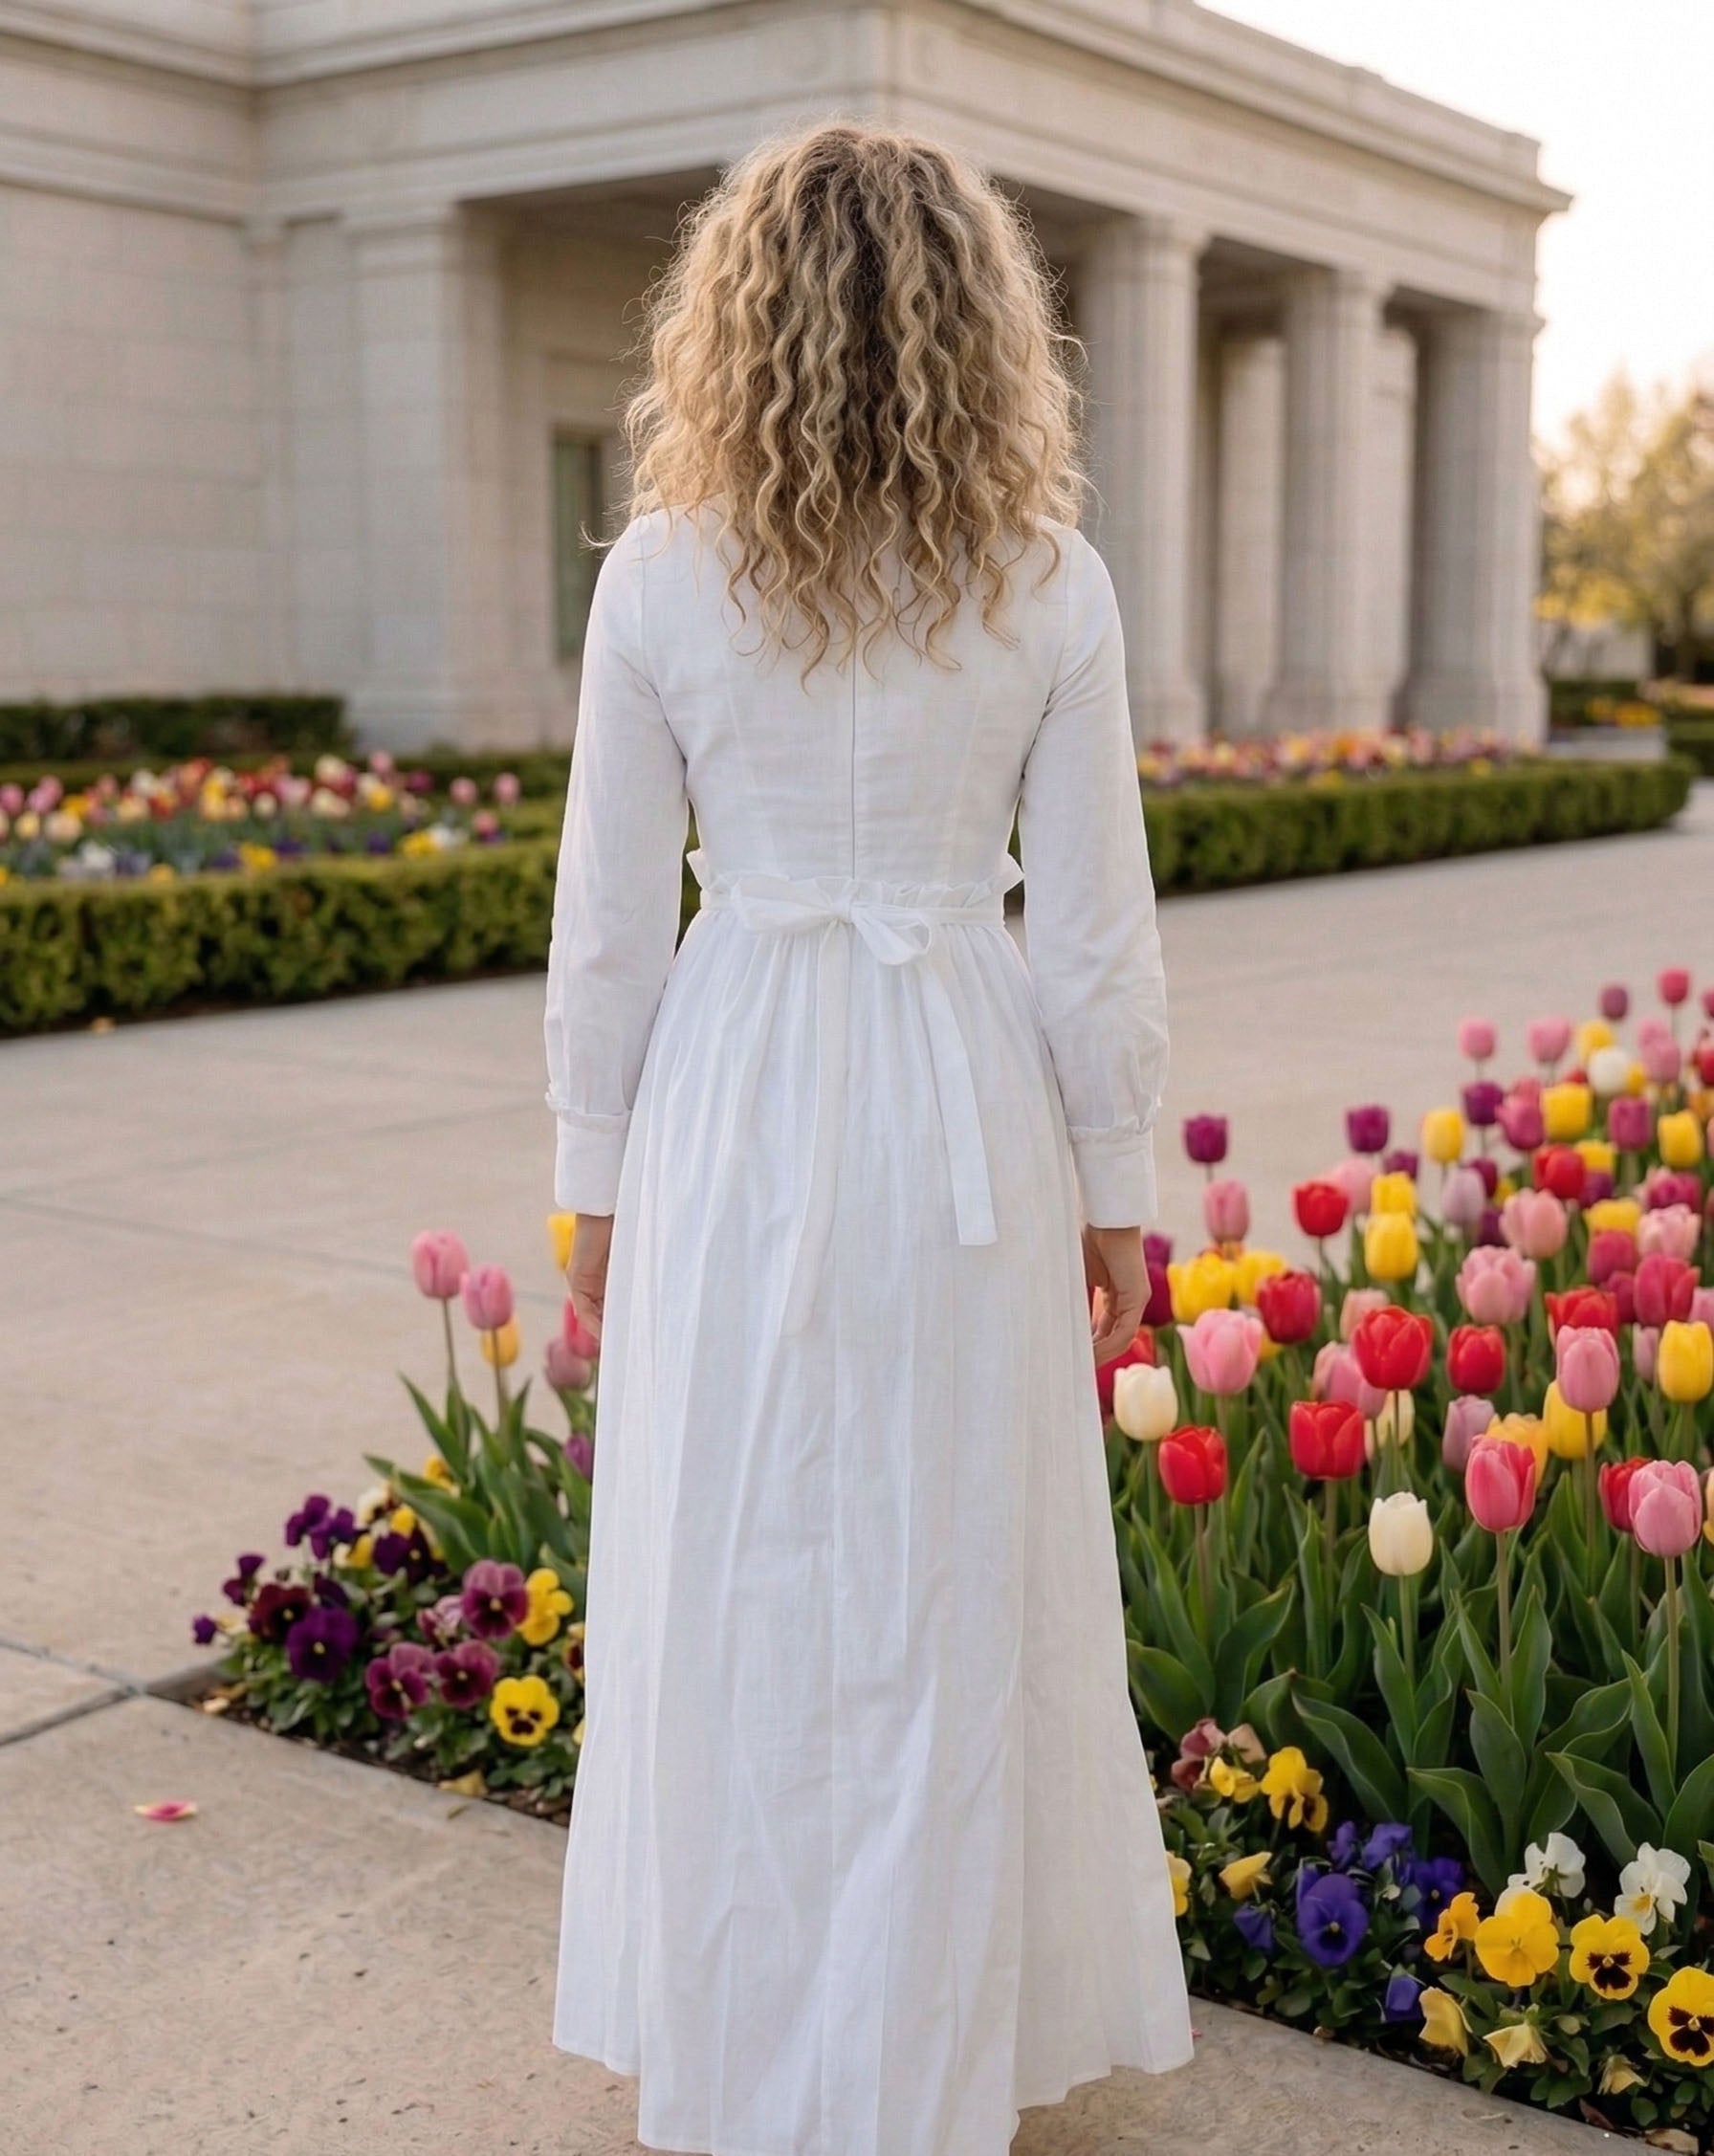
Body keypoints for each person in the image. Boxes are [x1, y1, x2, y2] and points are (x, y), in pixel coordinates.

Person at [543, 119, 1192, 2156]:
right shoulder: (1046, 579)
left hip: (733, 1087)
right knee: (938, 1579)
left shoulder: (660, 575)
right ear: (977, 321)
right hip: (956, 1098)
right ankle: (921, 2064)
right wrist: (1116, 1183)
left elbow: (605, 924)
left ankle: (743, 2055)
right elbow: (1090, 931)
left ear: (726, 319)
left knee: (739, 1568)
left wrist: (589, 1174)